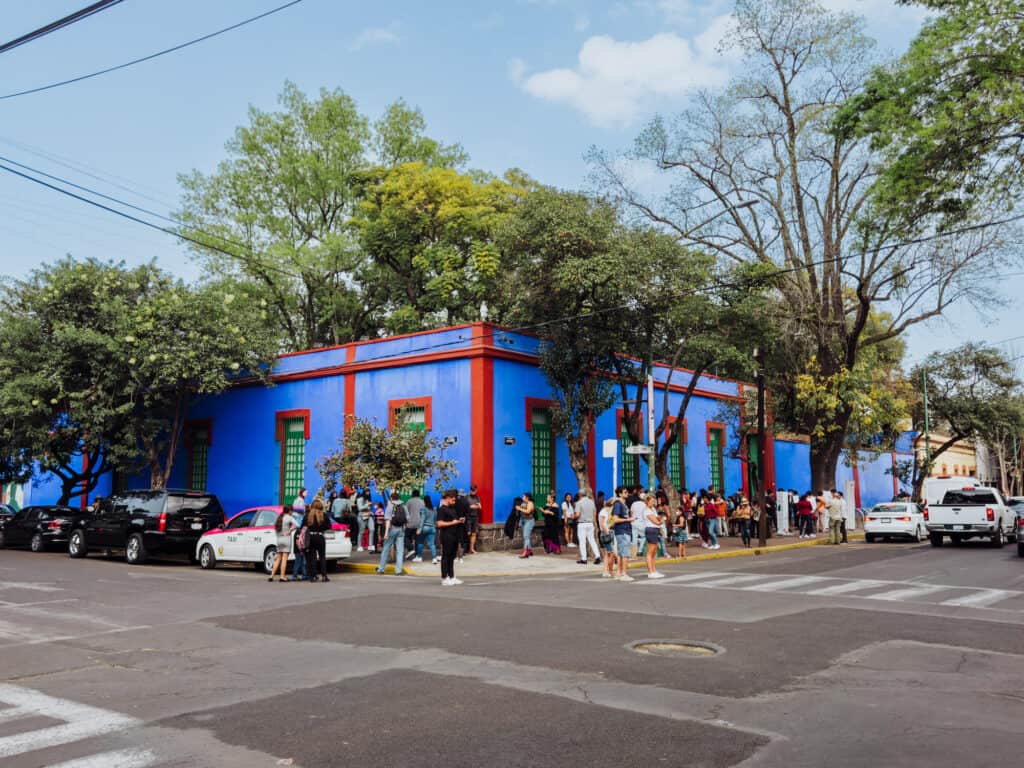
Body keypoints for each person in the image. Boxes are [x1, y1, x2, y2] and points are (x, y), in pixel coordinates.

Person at [437, 490, 464, 586]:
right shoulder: (442, 509)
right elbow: (439, 523)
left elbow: (454, 520)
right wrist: (453, 522)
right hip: (446, 536)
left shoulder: (452, 508)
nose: (454, 501)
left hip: (454, 535)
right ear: (447, 498)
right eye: (453, 500)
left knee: (452, 557)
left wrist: (459, 520)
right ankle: (444, 577)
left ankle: (452, 577)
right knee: (446, 556)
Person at [376, 492, 407, 575]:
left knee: (386, 548)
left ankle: (381, 569)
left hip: (392, 530)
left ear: (391, 498)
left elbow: (388, 521)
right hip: (401, 530)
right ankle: (398, 571)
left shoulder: (390, 507)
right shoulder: (404, 506)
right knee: (400, 551)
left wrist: (386, 533)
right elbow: (407, 519)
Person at [611, 486, 635, 581]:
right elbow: (615, 519)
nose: (627, 493)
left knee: (622, 553)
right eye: (625, 492)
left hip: (625, 530)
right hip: (622, 531)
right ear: (620, 494)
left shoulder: (624, 504)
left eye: (627, 492)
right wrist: (628, 519)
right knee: (625, 553)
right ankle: (624, 573)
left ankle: (619, 572)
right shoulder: (618, 504)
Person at [305, 498, 332, 582]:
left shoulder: (308, 515)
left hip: (311, 537)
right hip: (320, 537)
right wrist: (321, 529)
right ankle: (324, 576)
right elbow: (329, 526)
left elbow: (303, 525)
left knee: (312, 557)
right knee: (322, 557)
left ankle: (313, 576)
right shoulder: (324, 515)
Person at [268, 505, 295, 582]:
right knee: (284, 558)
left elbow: (276, 530)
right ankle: (282, 576)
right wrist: (290, 530)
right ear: (289, 511)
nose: (292, 512)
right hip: (286, 539)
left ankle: (271, 576)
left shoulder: (279, 518)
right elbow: (297, 525)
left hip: (279, 540)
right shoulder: (289, 518)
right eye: (292, 511)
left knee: (278, 558)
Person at [574, 489, 600, 565]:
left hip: (582, 523)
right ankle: (597, 556)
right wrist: (594, 522)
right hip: (590, 523)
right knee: (592, 540)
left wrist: (573, 516)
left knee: (582, 541)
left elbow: (578, 514)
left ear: (580, 495)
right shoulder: (591, 502)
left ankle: (584, 559)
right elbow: (595, 512)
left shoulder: (579, 503)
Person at [642, 494, 665, 579]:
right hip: (651, 530)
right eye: (651, 501)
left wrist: (659, 517)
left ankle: (654, 570)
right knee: (650, 552)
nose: (653, 502)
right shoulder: (646, 510)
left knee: (654, 552)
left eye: (654, 501)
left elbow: (656, 519)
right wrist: (662, 520)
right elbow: (656, 522)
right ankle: (650, 572)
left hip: (655, 530)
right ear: (647, 501)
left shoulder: (653, 509)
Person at [414, 494, 438, 563]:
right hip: (432, 528)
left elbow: (422, 519)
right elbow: (435, 519)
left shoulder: (423, 509)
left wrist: (419, 529)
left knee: (420, 542)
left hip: (424, 527)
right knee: (432, 544)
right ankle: (434, 558)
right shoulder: (434, 509)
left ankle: (419, 557)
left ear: (424, 501)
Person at [598, 498, 617, 577]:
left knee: (608, 553)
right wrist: (607, 533)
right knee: (611, 553)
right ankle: (609, 570)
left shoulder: (610, 512)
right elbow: (602, 523)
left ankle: (606, 571)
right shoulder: (603, 511)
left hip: (609, 532)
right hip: (606, 533)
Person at [404, 489, 425, 555]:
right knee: (417, 540)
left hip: (410, 523)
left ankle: (410, 549)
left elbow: (405, 511)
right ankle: (417, 554)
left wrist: (406, 521)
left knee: (406, 537)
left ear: (412, 494)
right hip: (419, 523)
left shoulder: (409, 501)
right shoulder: (422, 502)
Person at [516, 492, 536, 558]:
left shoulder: (530, 503)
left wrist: (519, 508)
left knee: (526, 536)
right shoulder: (523, 503)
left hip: (529, 521)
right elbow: (522, 513)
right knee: (526, 537)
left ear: (527, 497)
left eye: (523, 496)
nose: (522, 497)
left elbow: (528, 511)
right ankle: (529, 550)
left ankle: (525, 552)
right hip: (524, 521)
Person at [292, 510, 309, 581]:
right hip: (298, 550)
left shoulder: (303, 530)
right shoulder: (299, 531)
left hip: (301, 549)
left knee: (303, 563)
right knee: (298, 562)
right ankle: (294, 576)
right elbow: (297, 541)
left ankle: (304, 575)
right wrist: (300, 549)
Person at [466, 484, 482, 554]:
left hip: (475, 517)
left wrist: (473, 506)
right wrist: (475, 506)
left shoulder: (477, 497)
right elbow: (467, 507)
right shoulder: (466, 497)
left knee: (474, 533)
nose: (472, 492)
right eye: (471, 490)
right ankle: (464, 549)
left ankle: (471, 549)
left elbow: (480, 507)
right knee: (467, 533)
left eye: (474, 490)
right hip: (468, 517)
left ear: (476, 490)